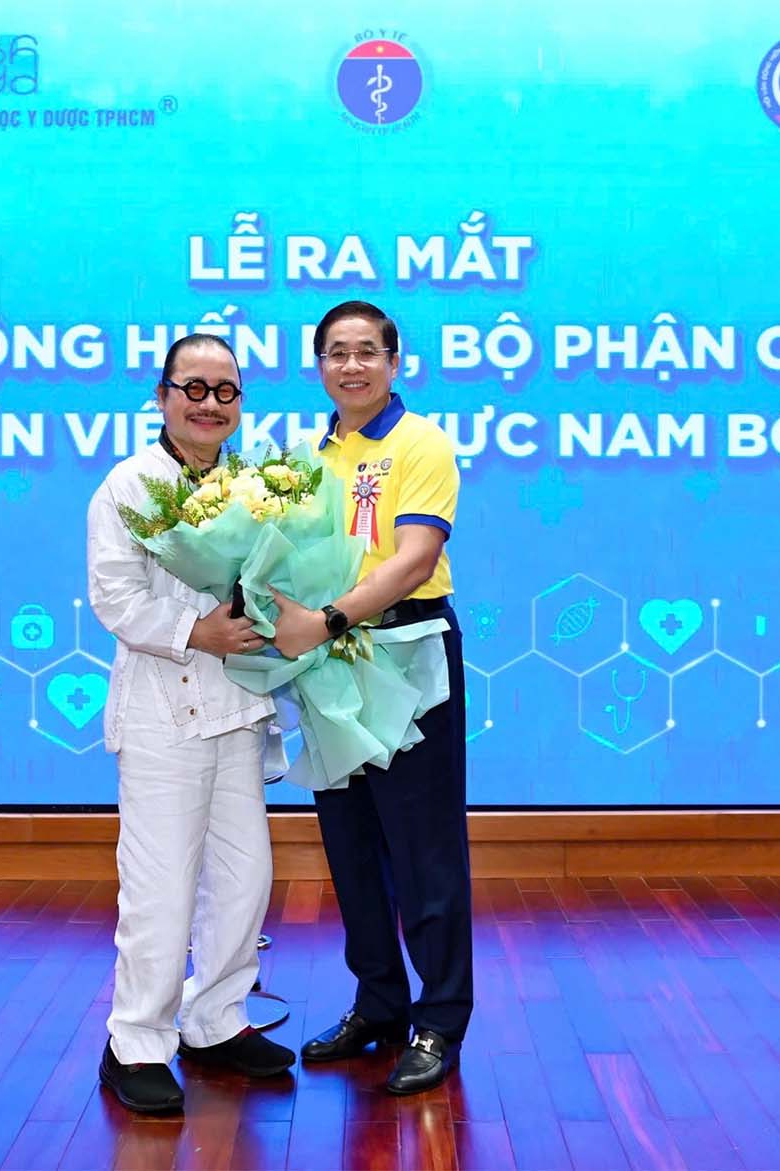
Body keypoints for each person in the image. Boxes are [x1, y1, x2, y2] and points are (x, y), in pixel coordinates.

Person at [85, 333, 294, 1114]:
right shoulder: (129, 484)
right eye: (194, 388)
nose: (210, 404)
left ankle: (216, 1019)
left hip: (237, 704)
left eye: (225, 391)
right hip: (162, 711)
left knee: (245, 878)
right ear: (163, 395)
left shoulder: (254, 487)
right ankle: (136, 1042)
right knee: (161, 887)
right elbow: (115, 596)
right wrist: (197, 630)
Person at [268, 300, 472, 1095]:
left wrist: (326, 619)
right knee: (351, 846)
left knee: (424, 851)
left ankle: (439, 1018)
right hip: (331, 661)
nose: (351, 365)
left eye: (366, 351)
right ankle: (380, 1002)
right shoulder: (307, 456)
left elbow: (415, 559)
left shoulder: (421, 442)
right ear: (319, 364)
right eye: (336, 352)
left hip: (406, 648)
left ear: (393, 362)